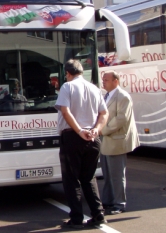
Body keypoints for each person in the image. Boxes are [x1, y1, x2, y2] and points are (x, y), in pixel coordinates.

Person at [55, 59, 109, 229]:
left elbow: (65, 111)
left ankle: (76, 218)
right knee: (89, 178)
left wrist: (79, 131)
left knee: (71, 179)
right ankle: (98, 215)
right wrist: (96, 130)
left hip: (73, 136)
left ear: (68, 74)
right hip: (93, 138)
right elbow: (104, 113)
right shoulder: (94, 88)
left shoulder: (67, 87)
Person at [100, 71, 140, 215]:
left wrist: (102, 130)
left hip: (116, 141)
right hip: (106, 142)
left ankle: (119, 203)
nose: (103, 82)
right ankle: (108, 201)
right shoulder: (106, 95)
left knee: (117, 175)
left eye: (106, 80)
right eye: (103, 79)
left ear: (116, 81)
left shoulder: (123, 97)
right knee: (107, 174)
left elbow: (121, 119)